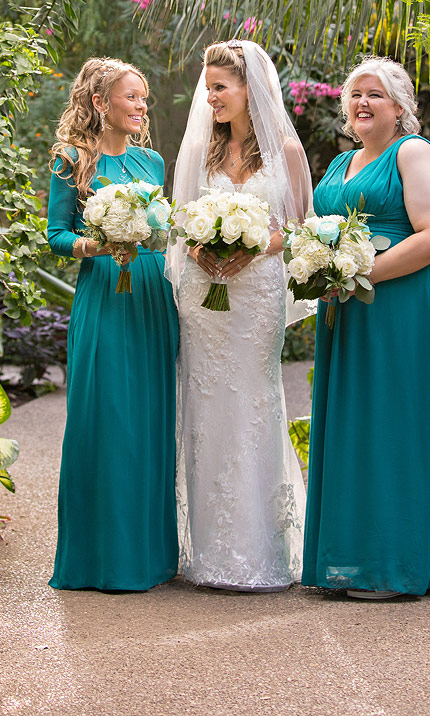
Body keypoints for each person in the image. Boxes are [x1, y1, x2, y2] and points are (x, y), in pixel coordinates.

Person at [302, 57, 430, 599]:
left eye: (376, 95)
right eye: (355, 95)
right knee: (354, 427)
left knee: (393, 427)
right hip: (347, 310)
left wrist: (357, 270)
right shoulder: (339, 163)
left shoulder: (411, 152)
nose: (363, 103)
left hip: (398, 308)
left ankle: (392, 565)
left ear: (400, 109)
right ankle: (348, 560)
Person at [166, 40, 312, 591]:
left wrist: (256, 246)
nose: (211, 98)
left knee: (254, 404)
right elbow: (181, 218)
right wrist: (200, 248)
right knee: (205, 411)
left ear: (251, 88)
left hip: (256, 298)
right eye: (208, 88)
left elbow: (299, 226)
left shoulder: (287, 156)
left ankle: (261, 551)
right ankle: (209, 553)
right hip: (204, 299)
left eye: (220, 87)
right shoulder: (203, 151)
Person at [47, 57, 179, 592]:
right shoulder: (70, 160)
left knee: (147, 420)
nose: (142, 106)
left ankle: (148, 558)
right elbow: (55, 235)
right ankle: (98, 559)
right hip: (103, 293)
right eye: (132, 97)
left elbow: (165, 227)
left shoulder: (153, 162)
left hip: (150, 294)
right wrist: (94, 244)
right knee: (105, 418)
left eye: (144, 97)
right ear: (100, 102)